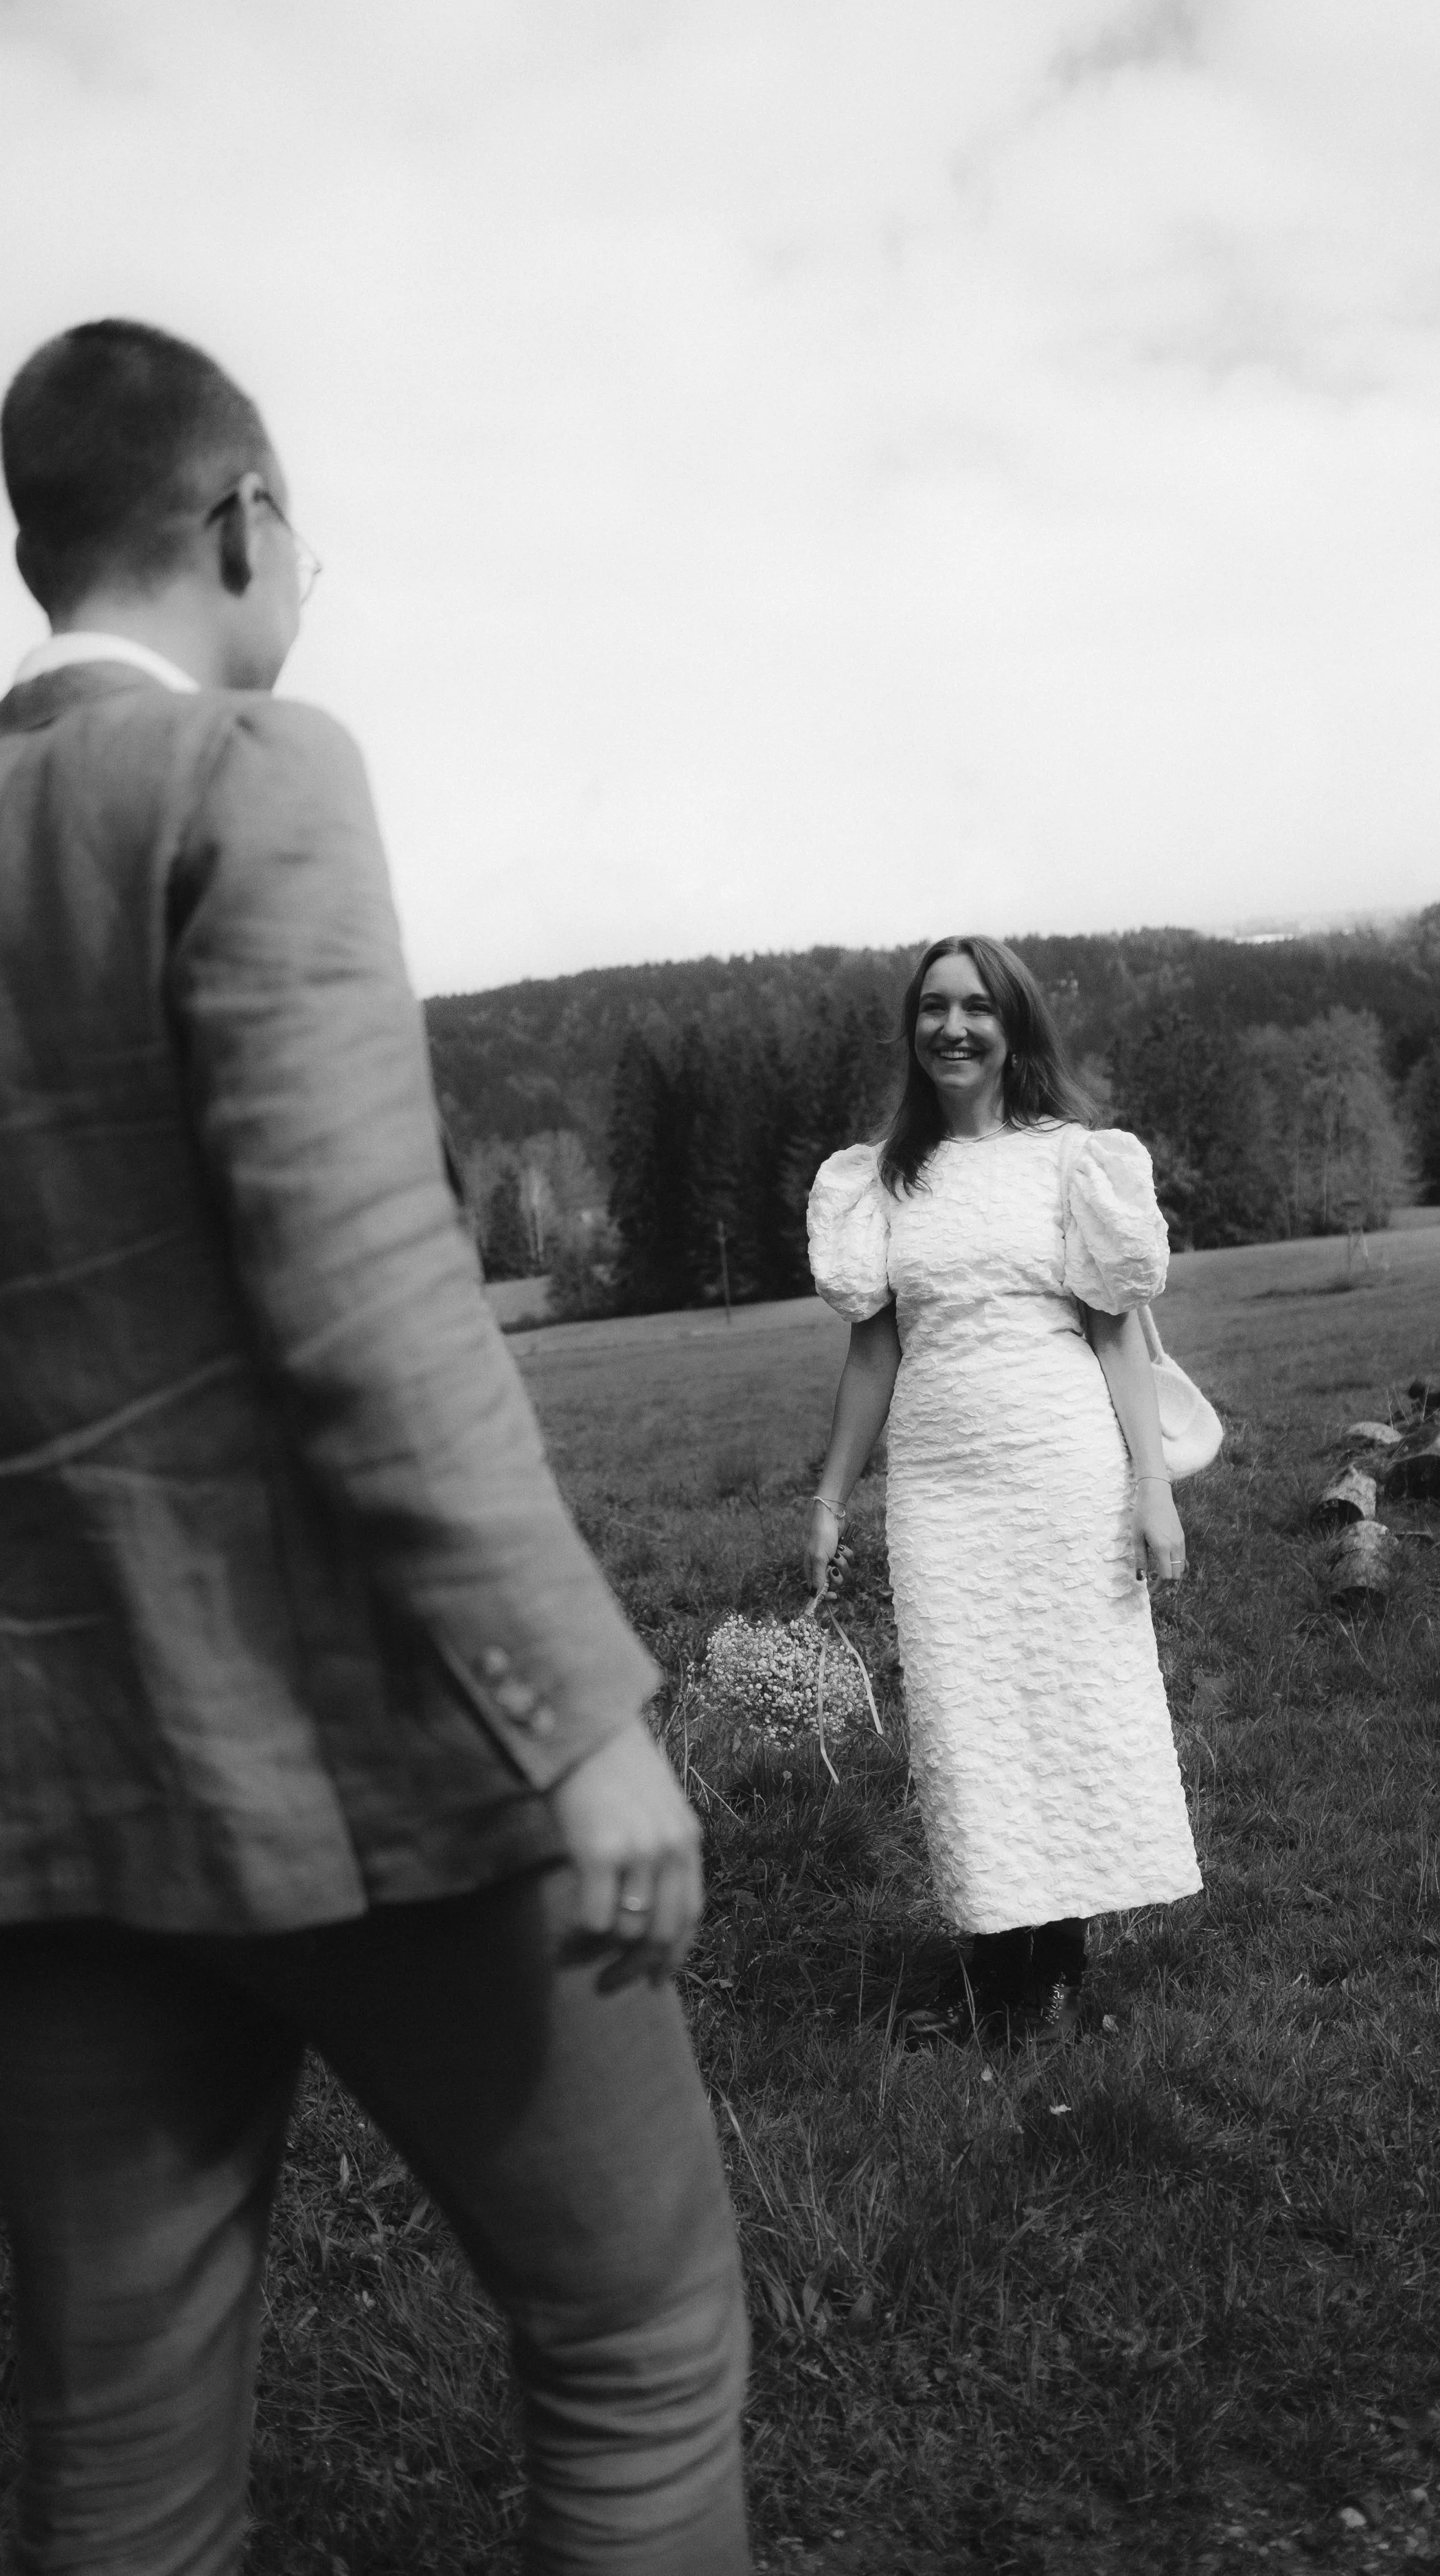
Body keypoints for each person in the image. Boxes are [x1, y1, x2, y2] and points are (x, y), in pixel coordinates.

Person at [0, 321, 749, 2576]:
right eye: (302, 534)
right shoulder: (249, 771)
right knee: (637, 2337)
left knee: (113, 2465)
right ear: (239, 523)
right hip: (385, 1779)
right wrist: (583, 1713)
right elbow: (366, 1291)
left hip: (52, 1802)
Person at [803, 936, 1202, 2037]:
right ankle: (993, 1968)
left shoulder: (1073, 1158)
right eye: (932, 1008)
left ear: (1013, 1025)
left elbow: (1118, 1336)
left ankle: (1059, 1966)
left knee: (1068, 1698)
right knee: (964, 1711)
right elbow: (874, 1355)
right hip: (939, 1484)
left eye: (977, 1007)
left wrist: (1152, 1490)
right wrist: (833, 1498)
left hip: (1062, 1466)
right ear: (912, 1028)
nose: (953, 1027)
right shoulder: (885, 1175)